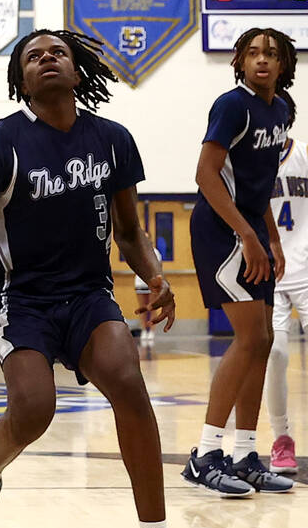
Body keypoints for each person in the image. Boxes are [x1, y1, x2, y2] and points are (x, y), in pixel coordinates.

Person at [0, 29, 202, 528]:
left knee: (129, 383)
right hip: (23, 298)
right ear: (21, 80)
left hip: (88, 294)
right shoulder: (0, 143)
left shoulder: (112, 140)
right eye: (32, 56)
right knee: (34, 409)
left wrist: (155, 276)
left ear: (78, 71)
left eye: (56, 52)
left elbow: (130, 231)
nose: (46, 60)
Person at [183, 28, 297, 496]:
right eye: (253, 53)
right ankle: (205, 454)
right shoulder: (232, 105)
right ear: (240, 61)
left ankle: (246, 454)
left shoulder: (282, 109)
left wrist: (271, 238)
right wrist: (248, 235)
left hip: (251, 230)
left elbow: (260, 182)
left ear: (285, 63)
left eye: (270, 53)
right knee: (250, 337)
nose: (262, 60)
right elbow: (205, 175)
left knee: (264, 340)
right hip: (221, 231)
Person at [264, 134, 308, 472]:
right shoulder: (247, 158)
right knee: (276, 354)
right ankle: (282, 439)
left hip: (305, 267)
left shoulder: (303, 155)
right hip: (268, 269)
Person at [132, 239, 162, 346]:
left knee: (152, 307)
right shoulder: (136, 252)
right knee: (142, 308)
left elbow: (157, 269)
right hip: (139, 282)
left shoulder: (156, 253)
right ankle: (144, 330)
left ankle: (152, 332)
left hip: (151, 282)